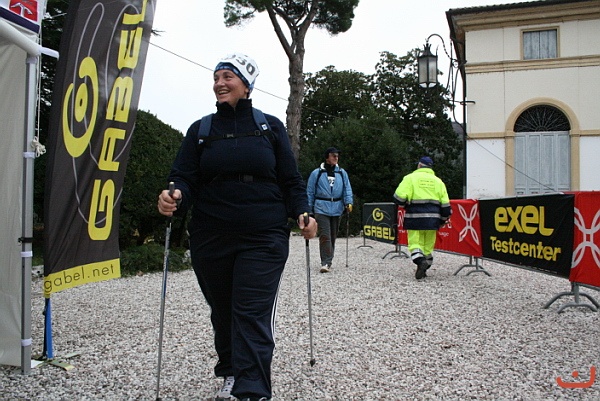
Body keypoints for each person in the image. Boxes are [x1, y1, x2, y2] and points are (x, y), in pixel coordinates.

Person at [157, 53, 317, 401]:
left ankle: (252, 389)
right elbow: (183, 176)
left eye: (228, 76)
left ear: (246, 85)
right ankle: (230, 371)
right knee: (223, 310)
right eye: (216, 77)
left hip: (264, 235)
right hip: (211, 236)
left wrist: (303, 212)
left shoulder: (270, 127)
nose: (219, 83)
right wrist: (174, 195)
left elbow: (291, 180)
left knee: (250, 310)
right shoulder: (200, 131)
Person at [393, 156, 451, 280]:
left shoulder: (410, 178)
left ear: (419, 165)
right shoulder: (438, 182)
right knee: (427, 247)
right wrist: (443, 220)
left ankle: (420, 262)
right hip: (433, 220)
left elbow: (398, 198)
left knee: (415, 244)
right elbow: (446, 206)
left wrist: (405, 204)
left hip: (414, 218)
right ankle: (424, 268)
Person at [307, 147, 353, 273]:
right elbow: (310, 191)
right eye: (333, 155)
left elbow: (347, 189)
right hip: (321, 207)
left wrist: (348, 202)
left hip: (337, 207)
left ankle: (328, 259)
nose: (336, 158)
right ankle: (325, 262)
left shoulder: (342, 173)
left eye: (337, 156)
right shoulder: (316, 173)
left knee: (333, 235)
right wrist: (309, 209)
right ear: (327, 157)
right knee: (325, 235)